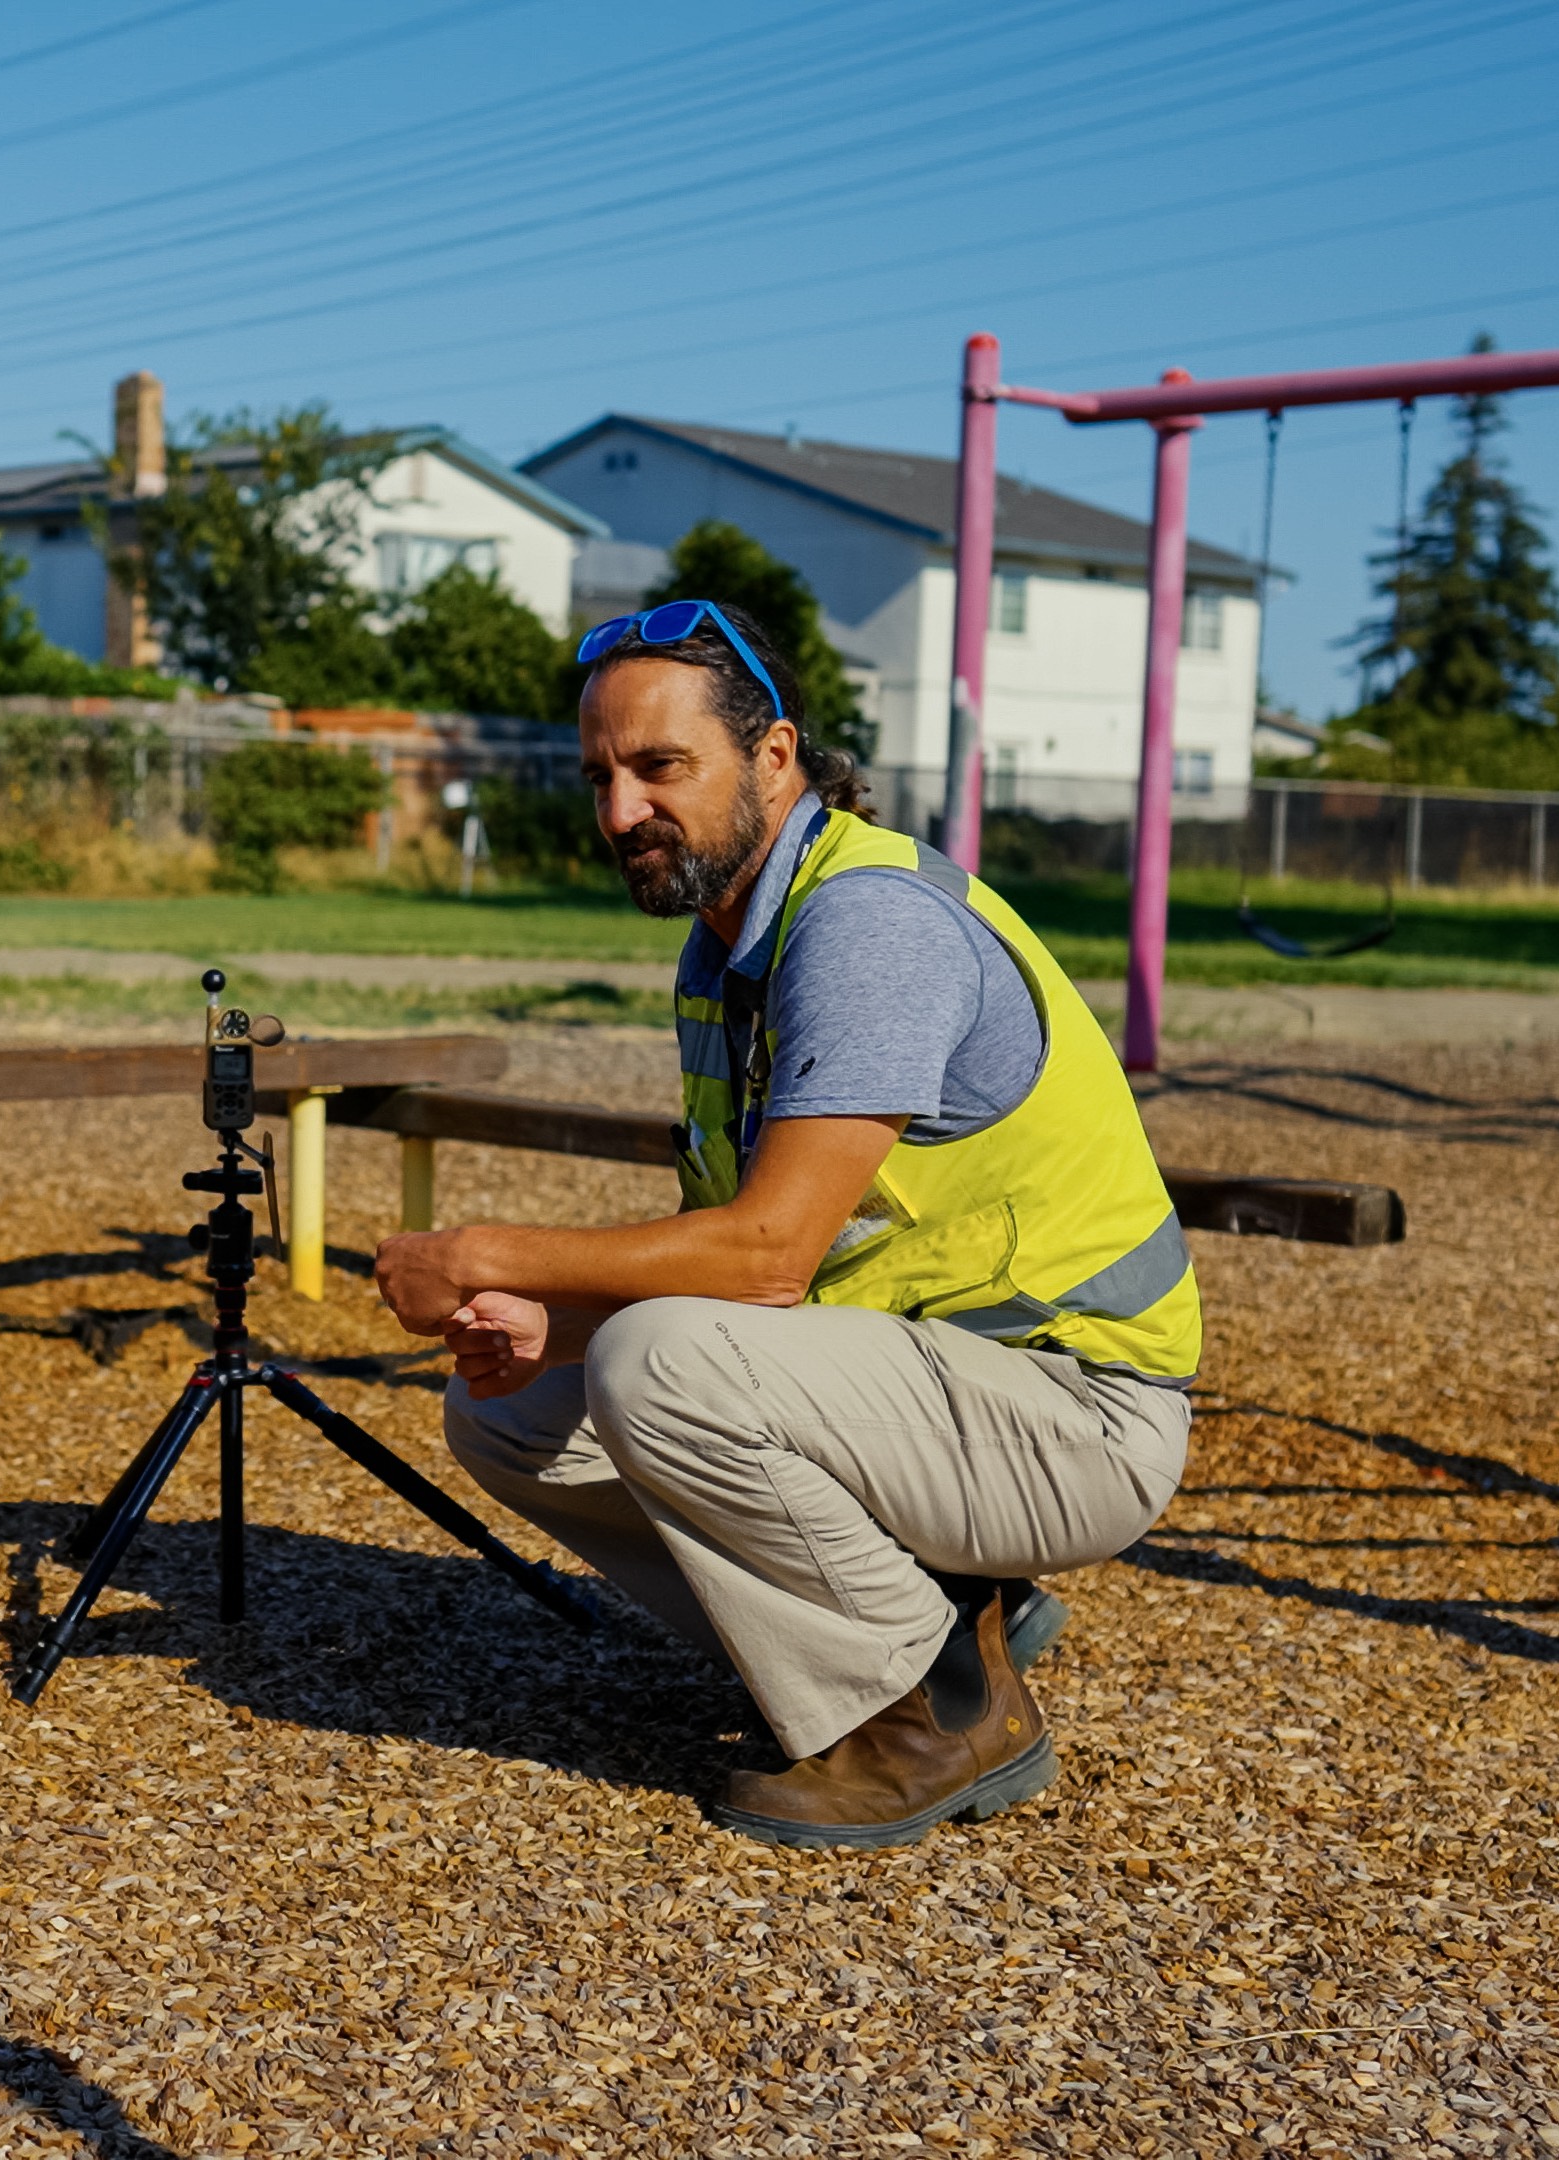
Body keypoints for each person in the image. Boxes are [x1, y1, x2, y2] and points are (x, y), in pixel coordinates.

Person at [371, 598, 1197, 1849]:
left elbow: (762, 1260)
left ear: (774, 757)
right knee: (512, 1408)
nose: (619, 812)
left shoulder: (865, 923)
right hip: (945, 1395)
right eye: (600, 775)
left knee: (658, 1366)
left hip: (1078, 1417)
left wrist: (489, 1255)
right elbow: (744, 1265)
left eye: (660, 767)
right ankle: (924, 1614)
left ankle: (935, 1710)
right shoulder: (727, 948)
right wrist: (552, 1314)